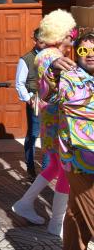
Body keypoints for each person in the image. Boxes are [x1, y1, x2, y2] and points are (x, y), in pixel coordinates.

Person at [12, 9, 76, 236]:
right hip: (57, 124)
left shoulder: (54, 53)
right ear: (60, 34)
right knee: (64, 170)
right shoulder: (48, 54)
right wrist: (56, 62)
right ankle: (56, 223)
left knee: (54, 167)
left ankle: (24, 204)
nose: (73, 36)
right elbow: (47, 60)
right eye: (71, 32)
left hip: (53, 121)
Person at [54, 31, 94, 250]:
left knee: (75, 214)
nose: (90, 55)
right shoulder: (70, 77)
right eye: (83, 50)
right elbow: (49, 93)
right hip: (79, 160)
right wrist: (51, 67)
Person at [15, 29, 48, 180]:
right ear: (34, 40)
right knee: (34, 134)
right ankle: (30, 168)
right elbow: (20, 83)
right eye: (41, 42)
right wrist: (28, 98)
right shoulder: (26, 59)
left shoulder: (52, 56)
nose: (44, 45)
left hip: (50, 100)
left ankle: (47, 171)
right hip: (34, 99)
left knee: (48, 134)